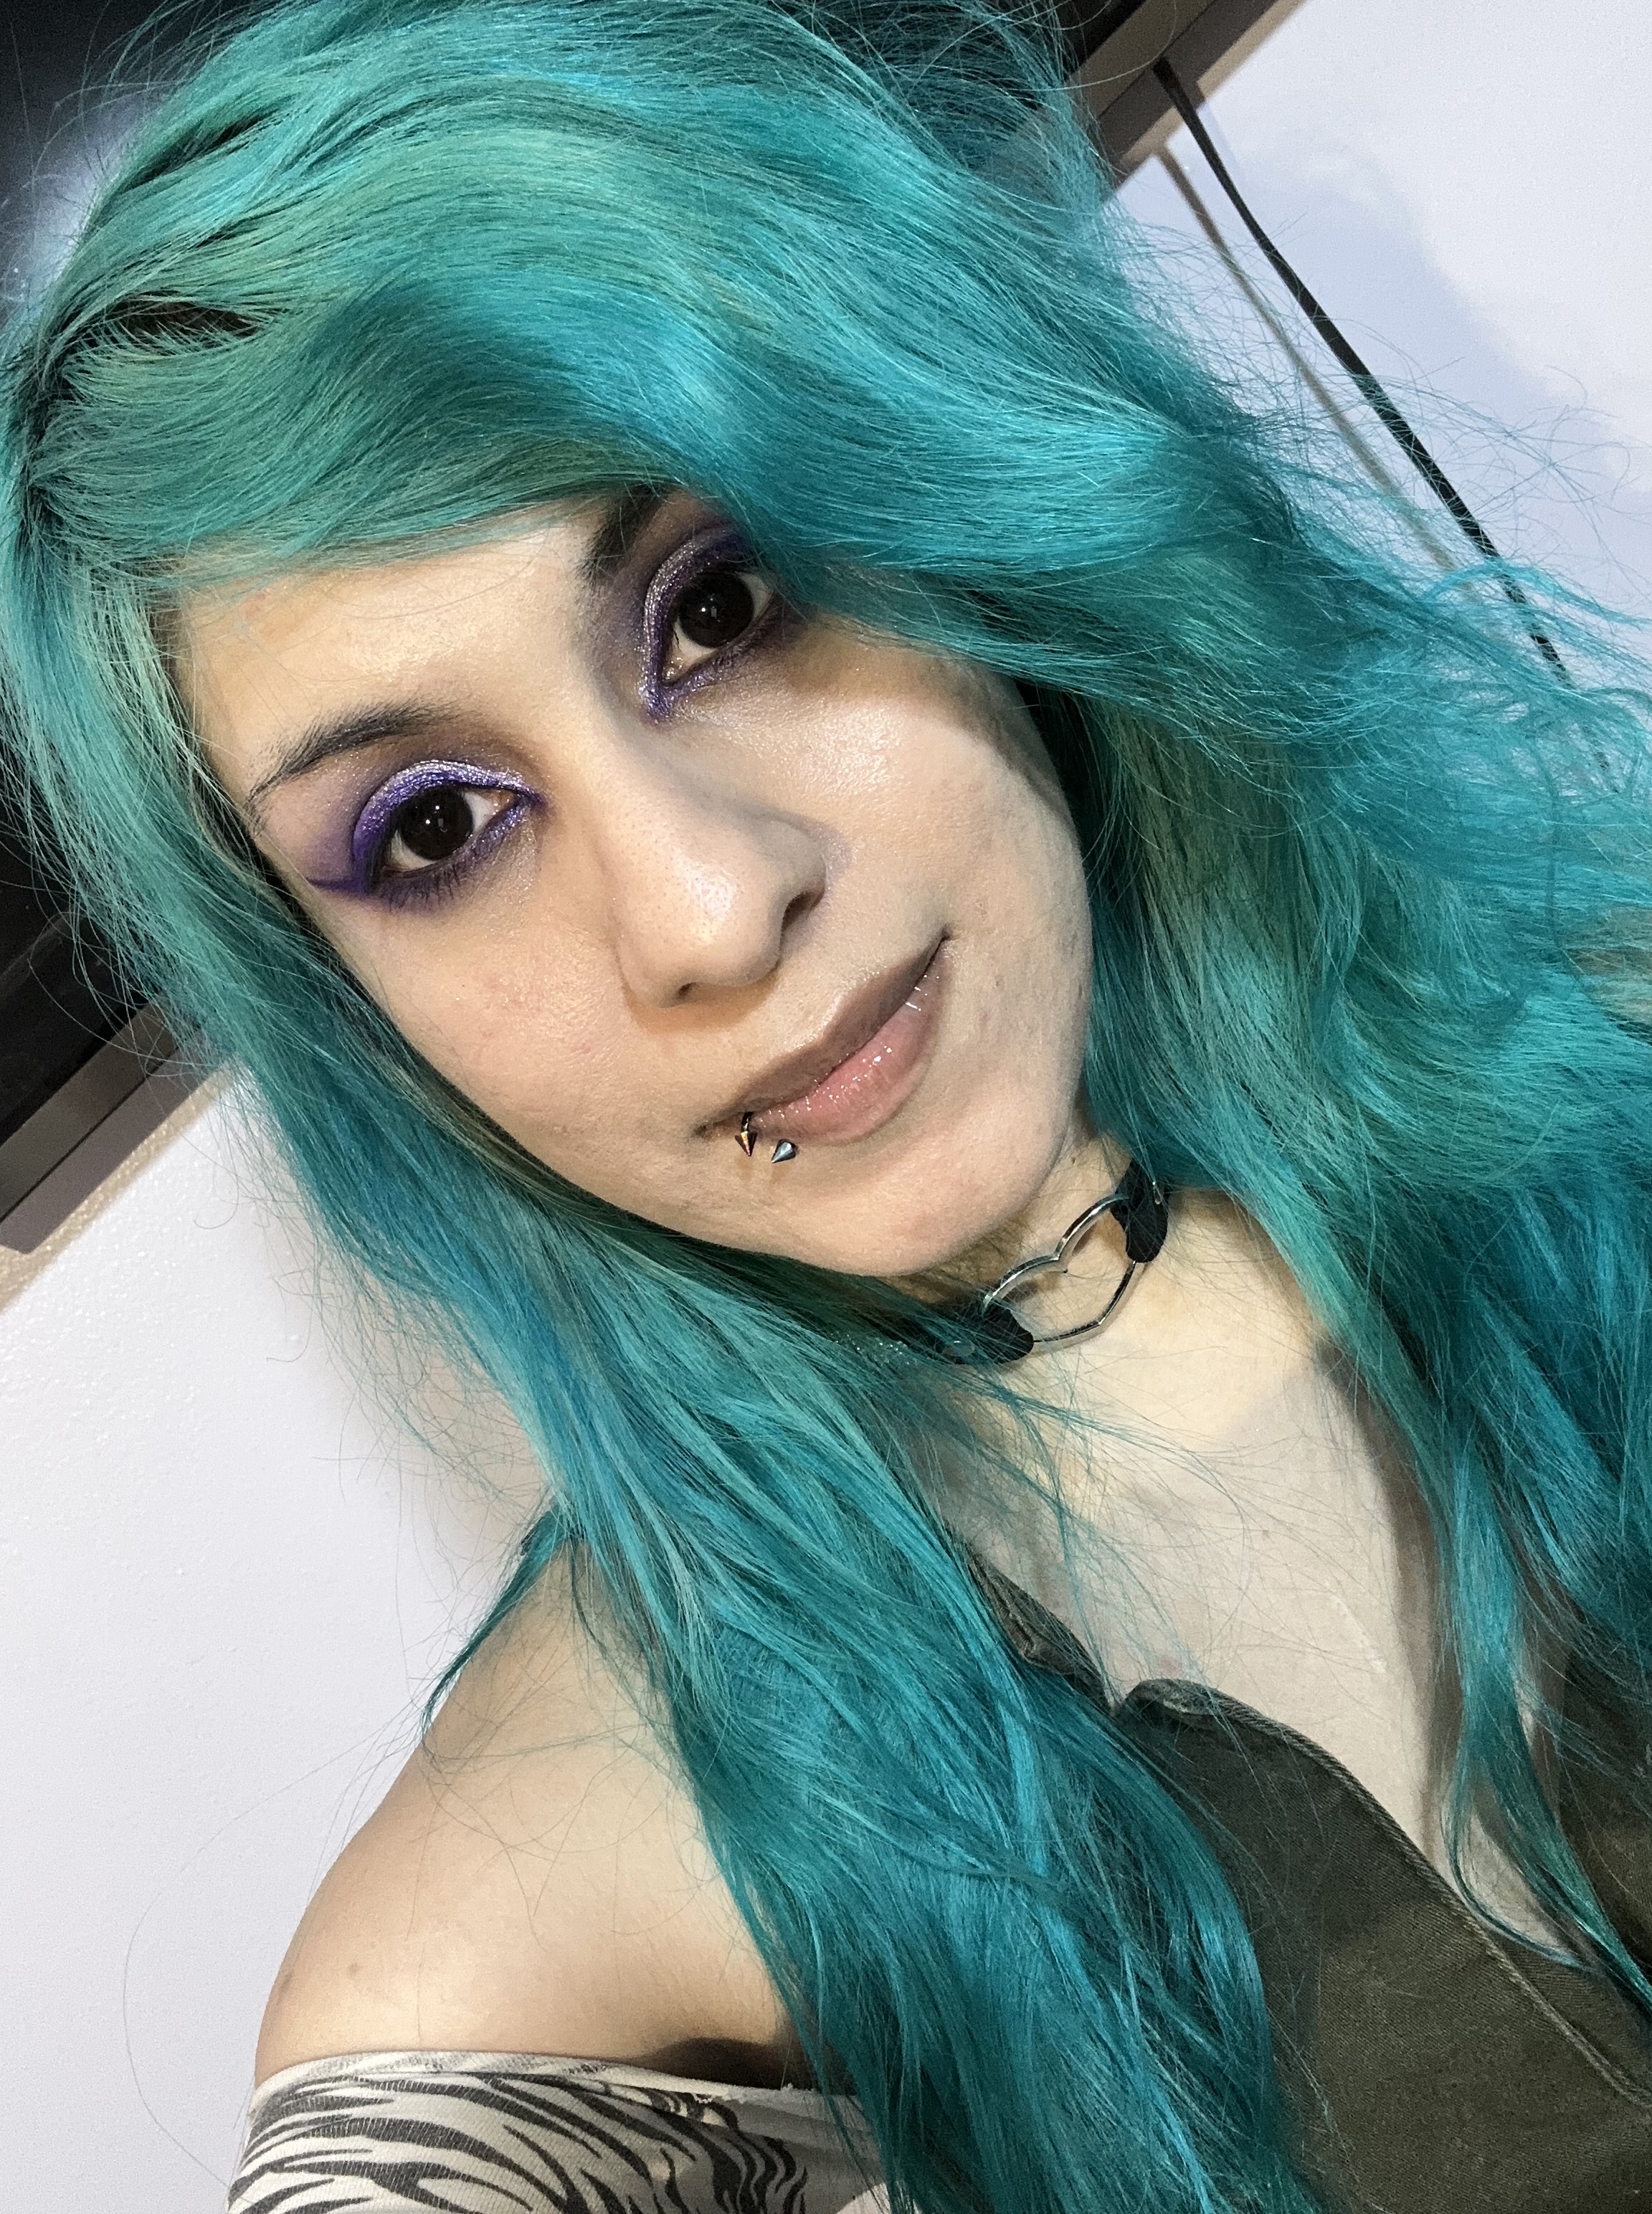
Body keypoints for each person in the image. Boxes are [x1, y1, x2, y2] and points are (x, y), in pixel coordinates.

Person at [4, 2, 1651, 2208]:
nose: (704, 907)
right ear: (346, 1003)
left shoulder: (1607, 1041)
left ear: (963, 507)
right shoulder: (550, 1878)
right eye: (434, 829)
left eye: (722, 604)